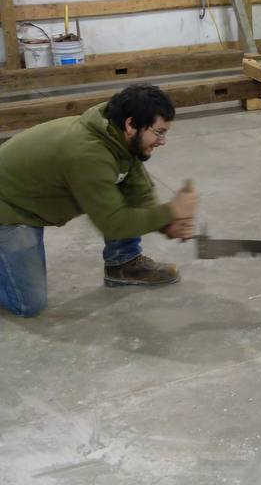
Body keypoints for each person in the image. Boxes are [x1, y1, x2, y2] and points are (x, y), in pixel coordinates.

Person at [0, 84, 198, 318]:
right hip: (10, 207)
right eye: (159, 132)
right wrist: (172, 210)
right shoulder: (88, 154)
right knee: (28, 304)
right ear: (131, 124)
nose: (162, 141)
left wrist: (166, 224)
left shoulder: (118, 137)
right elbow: (113, 222)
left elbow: (139, 192)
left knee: (120, 193)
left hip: (32, 197)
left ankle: (123, 262)